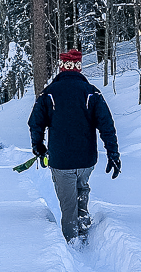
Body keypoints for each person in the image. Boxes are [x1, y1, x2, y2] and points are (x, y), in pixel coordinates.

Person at [28, 49, 121, 242]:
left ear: (62, 68)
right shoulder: (91, 92)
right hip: (86, 159)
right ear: (79, 68)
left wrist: (38, 146)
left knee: (68, 203)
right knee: (82, 191)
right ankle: (84, 231)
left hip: (61, 160)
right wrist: (113, 153)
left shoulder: (49, 93)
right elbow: (107, 125)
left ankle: (73, 246)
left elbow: (35, 123)